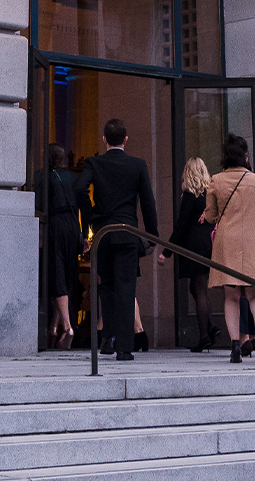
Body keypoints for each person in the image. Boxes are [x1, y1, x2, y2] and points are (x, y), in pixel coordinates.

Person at [80, 119, 159, 361]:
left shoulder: (94, 163)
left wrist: (91, 220)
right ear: (126, 139)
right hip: (127, 232)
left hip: (103, 231)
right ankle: (124, 347)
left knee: (107, 286)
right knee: (126, 287)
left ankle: (108, 338)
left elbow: (79, 189)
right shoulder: (137, 165)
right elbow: (147, 201)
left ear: (104, 139)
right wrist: (152, 234)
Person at [206, 134, 255, 363]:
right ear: (245, 155)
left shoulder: (216, 181)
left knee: (231, 295)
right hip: (253, 242)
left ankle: (236, 346)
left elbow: (210, 216)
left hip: (227, 243)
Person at [165, 157, 217, 352]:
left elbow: (181, 225)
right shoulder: (209, 194)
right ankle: (211, 326)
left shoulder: (190, 195)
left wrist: (166, 251)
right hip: (209, 245)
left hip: (194, 247)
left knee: (199, 289)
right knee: (197, 289)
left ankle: (204, 335)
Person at [37, 145, 85, 349]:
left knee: (56, 275)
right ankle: (53, 328)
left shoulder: (41, 177)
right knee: (66, 276)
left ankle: (67, 327)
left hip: (54, 225)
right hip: (73, 226)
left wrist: (38, 232)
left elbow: (38, 206)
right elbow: (82, 204)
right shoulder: (74, 178)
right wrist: (84, 233)